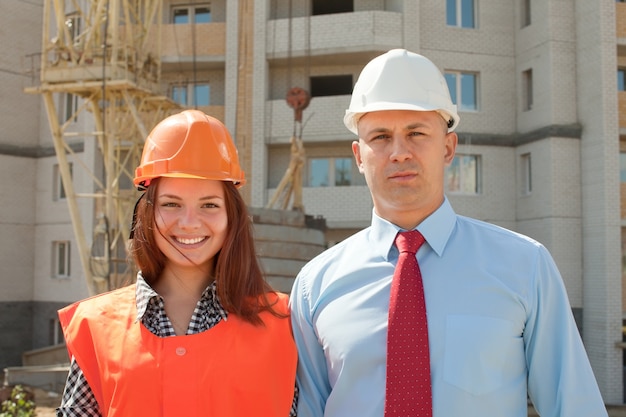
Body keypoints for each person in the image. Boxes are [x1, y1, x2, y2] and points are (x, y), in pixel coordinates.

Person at [289, 48, 608, 417]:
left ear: (448, 147)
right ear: (359, 157)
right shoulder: (316, 285)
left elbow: (574, 406)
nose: (399, 152)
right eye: (380, 137)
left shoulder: (525, 267)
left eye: (416, 133)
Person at [56, 110, 298, 416]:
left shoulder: (283, 323)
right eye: (171, 204)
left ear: (231, 217)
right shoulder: (96, 326)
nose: (189, 223)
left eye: (209, 205)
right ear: (147, 214)